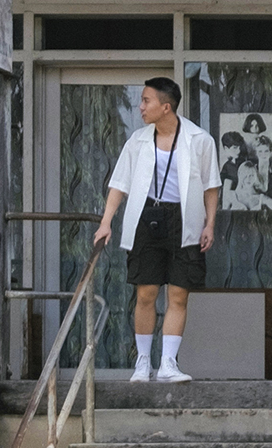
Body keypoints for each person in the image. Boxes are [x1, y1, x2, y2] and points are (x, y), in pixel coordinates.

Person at [94, 78, 221, 384]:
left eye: (146, 101)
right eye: (140, 100)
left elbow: (211, 186)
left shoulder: (199, 139)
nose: (141, 107)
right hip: (147, 216)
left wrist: (210, 224)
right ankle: (141, 363)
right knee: (146, 292)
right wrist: (106, 221)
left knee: (178, 294)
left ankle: (167, 364)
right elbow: (119, 184)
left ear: (166, 107)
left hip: (185, 219)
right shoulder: (137, 141)